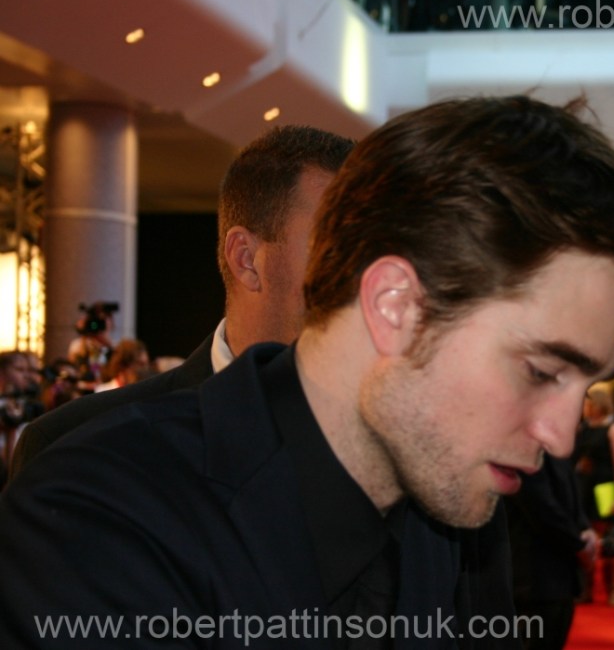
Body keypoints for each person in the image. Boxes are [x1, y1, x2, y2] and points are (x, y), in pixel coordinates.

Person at [0, 94, 614, 647]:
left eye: (585, 386)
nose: (562, 436)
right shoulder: (102, 516)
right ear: (395, 306)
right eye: (541, 371)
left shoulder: (449, 497)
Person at [6, 125, 356, 483]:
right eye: (335, 248)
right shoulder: (78, 446)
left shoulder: (383, 439)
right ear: (247, 260)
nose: (364, 279)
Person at [506, 454, 597, 650]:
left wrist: (585, 528)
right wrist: (579, 546)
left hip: (562, 574)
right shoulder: (524, 450)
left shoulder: (557, 450)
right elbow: (542, 507)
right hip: (533, 575)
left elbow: (571, 494)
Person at [573, 385, 614, 606]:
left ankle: (612, 589)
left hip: (605, 490)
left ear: (599, 405)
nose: (585, 408)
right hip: (584, 488)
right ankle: (586, 588)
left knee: (608, 541)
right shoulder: (582, 429)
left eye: (589, 404)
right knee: (586, 539)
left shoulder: (612, 429)